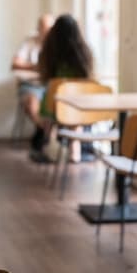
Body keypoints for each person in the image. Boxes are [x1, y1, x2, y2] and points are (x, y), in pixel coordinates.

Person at [31, 14, 93, 162]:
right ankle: (74, 150)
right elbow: (88, 77)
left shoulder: (48, 52)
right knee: (74, 114)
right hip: (78, 105)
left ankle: (49, 145)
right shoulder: (85, 53)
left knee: (49, 107)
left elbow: (44, 78)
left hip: (54, 105)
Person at [11, 14, 55, 129]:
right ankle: (45, 130)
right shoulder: (30, 41)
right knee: (31, 105)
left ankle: (47, 133)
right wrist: (35, 67)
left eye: (49, 29)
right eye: (43, 28)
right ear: (38, 29)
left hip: (51, 85)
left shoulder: (57, 44)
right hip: (32, 85)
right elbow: (15, 64)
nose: (46, 32)